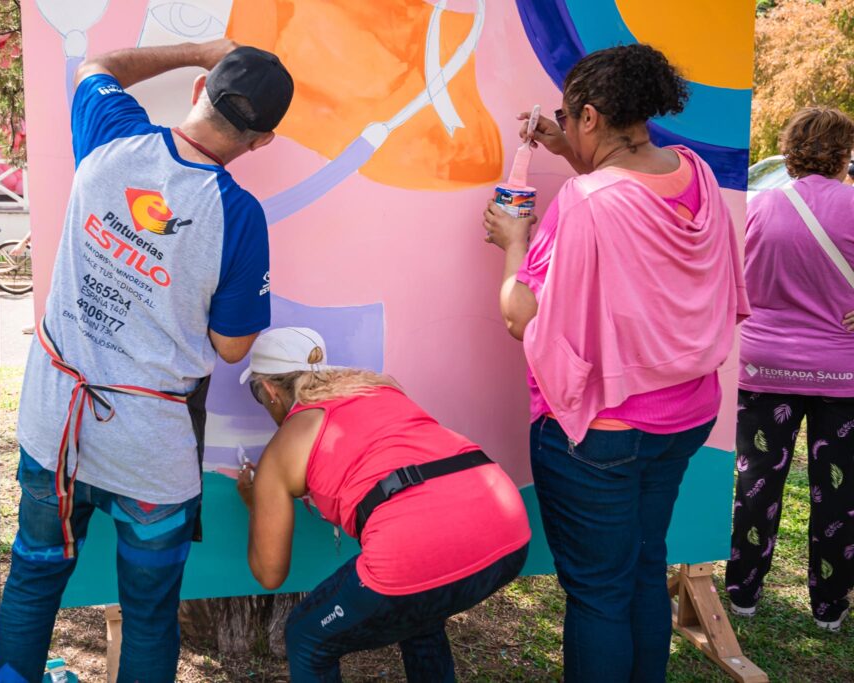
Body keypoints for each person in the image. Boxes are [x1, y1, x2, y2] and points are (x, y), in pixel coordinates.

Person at [0, 40, 293, 683]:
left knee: (35, 572)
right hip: (149, 450)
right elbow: (233, 347)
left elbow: (96, 68)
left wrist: (199, 50)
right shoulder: (238, 216)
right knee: (150, 614)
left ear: (198, 90)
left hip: (55, 423)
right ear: (262, 141)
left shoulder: (111, 134)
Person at [482, 44, 748, 682]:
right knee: (640, 571)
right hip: (684, 416)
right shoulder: (695, 172)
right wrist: (567, 148)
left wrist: (514, 245)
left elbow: (522, 316)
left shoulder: (586, 204)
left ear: (592, 116)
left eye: (569, 120)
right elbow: (623, 175)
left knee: (599, 593)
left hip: (603, 434)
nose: (565, 129)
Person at [236, 327, 531, 683]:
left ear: (269, 390)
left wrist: (256, 503)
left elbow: (270, 573)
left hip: (415, 549)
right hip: (509, 532)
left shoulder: (284, 446)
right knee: (420, 614)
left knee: (306, 636)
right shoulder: (377, 390)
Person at [726, 106, 854, 633]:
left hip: (762, 366)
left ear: (793, 150)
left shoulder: (757, 208)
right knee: (839, 493)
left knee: (757, 484)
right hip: (842, 373)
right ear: (844, 154)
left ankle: (743, 594)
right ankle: (829, 608)